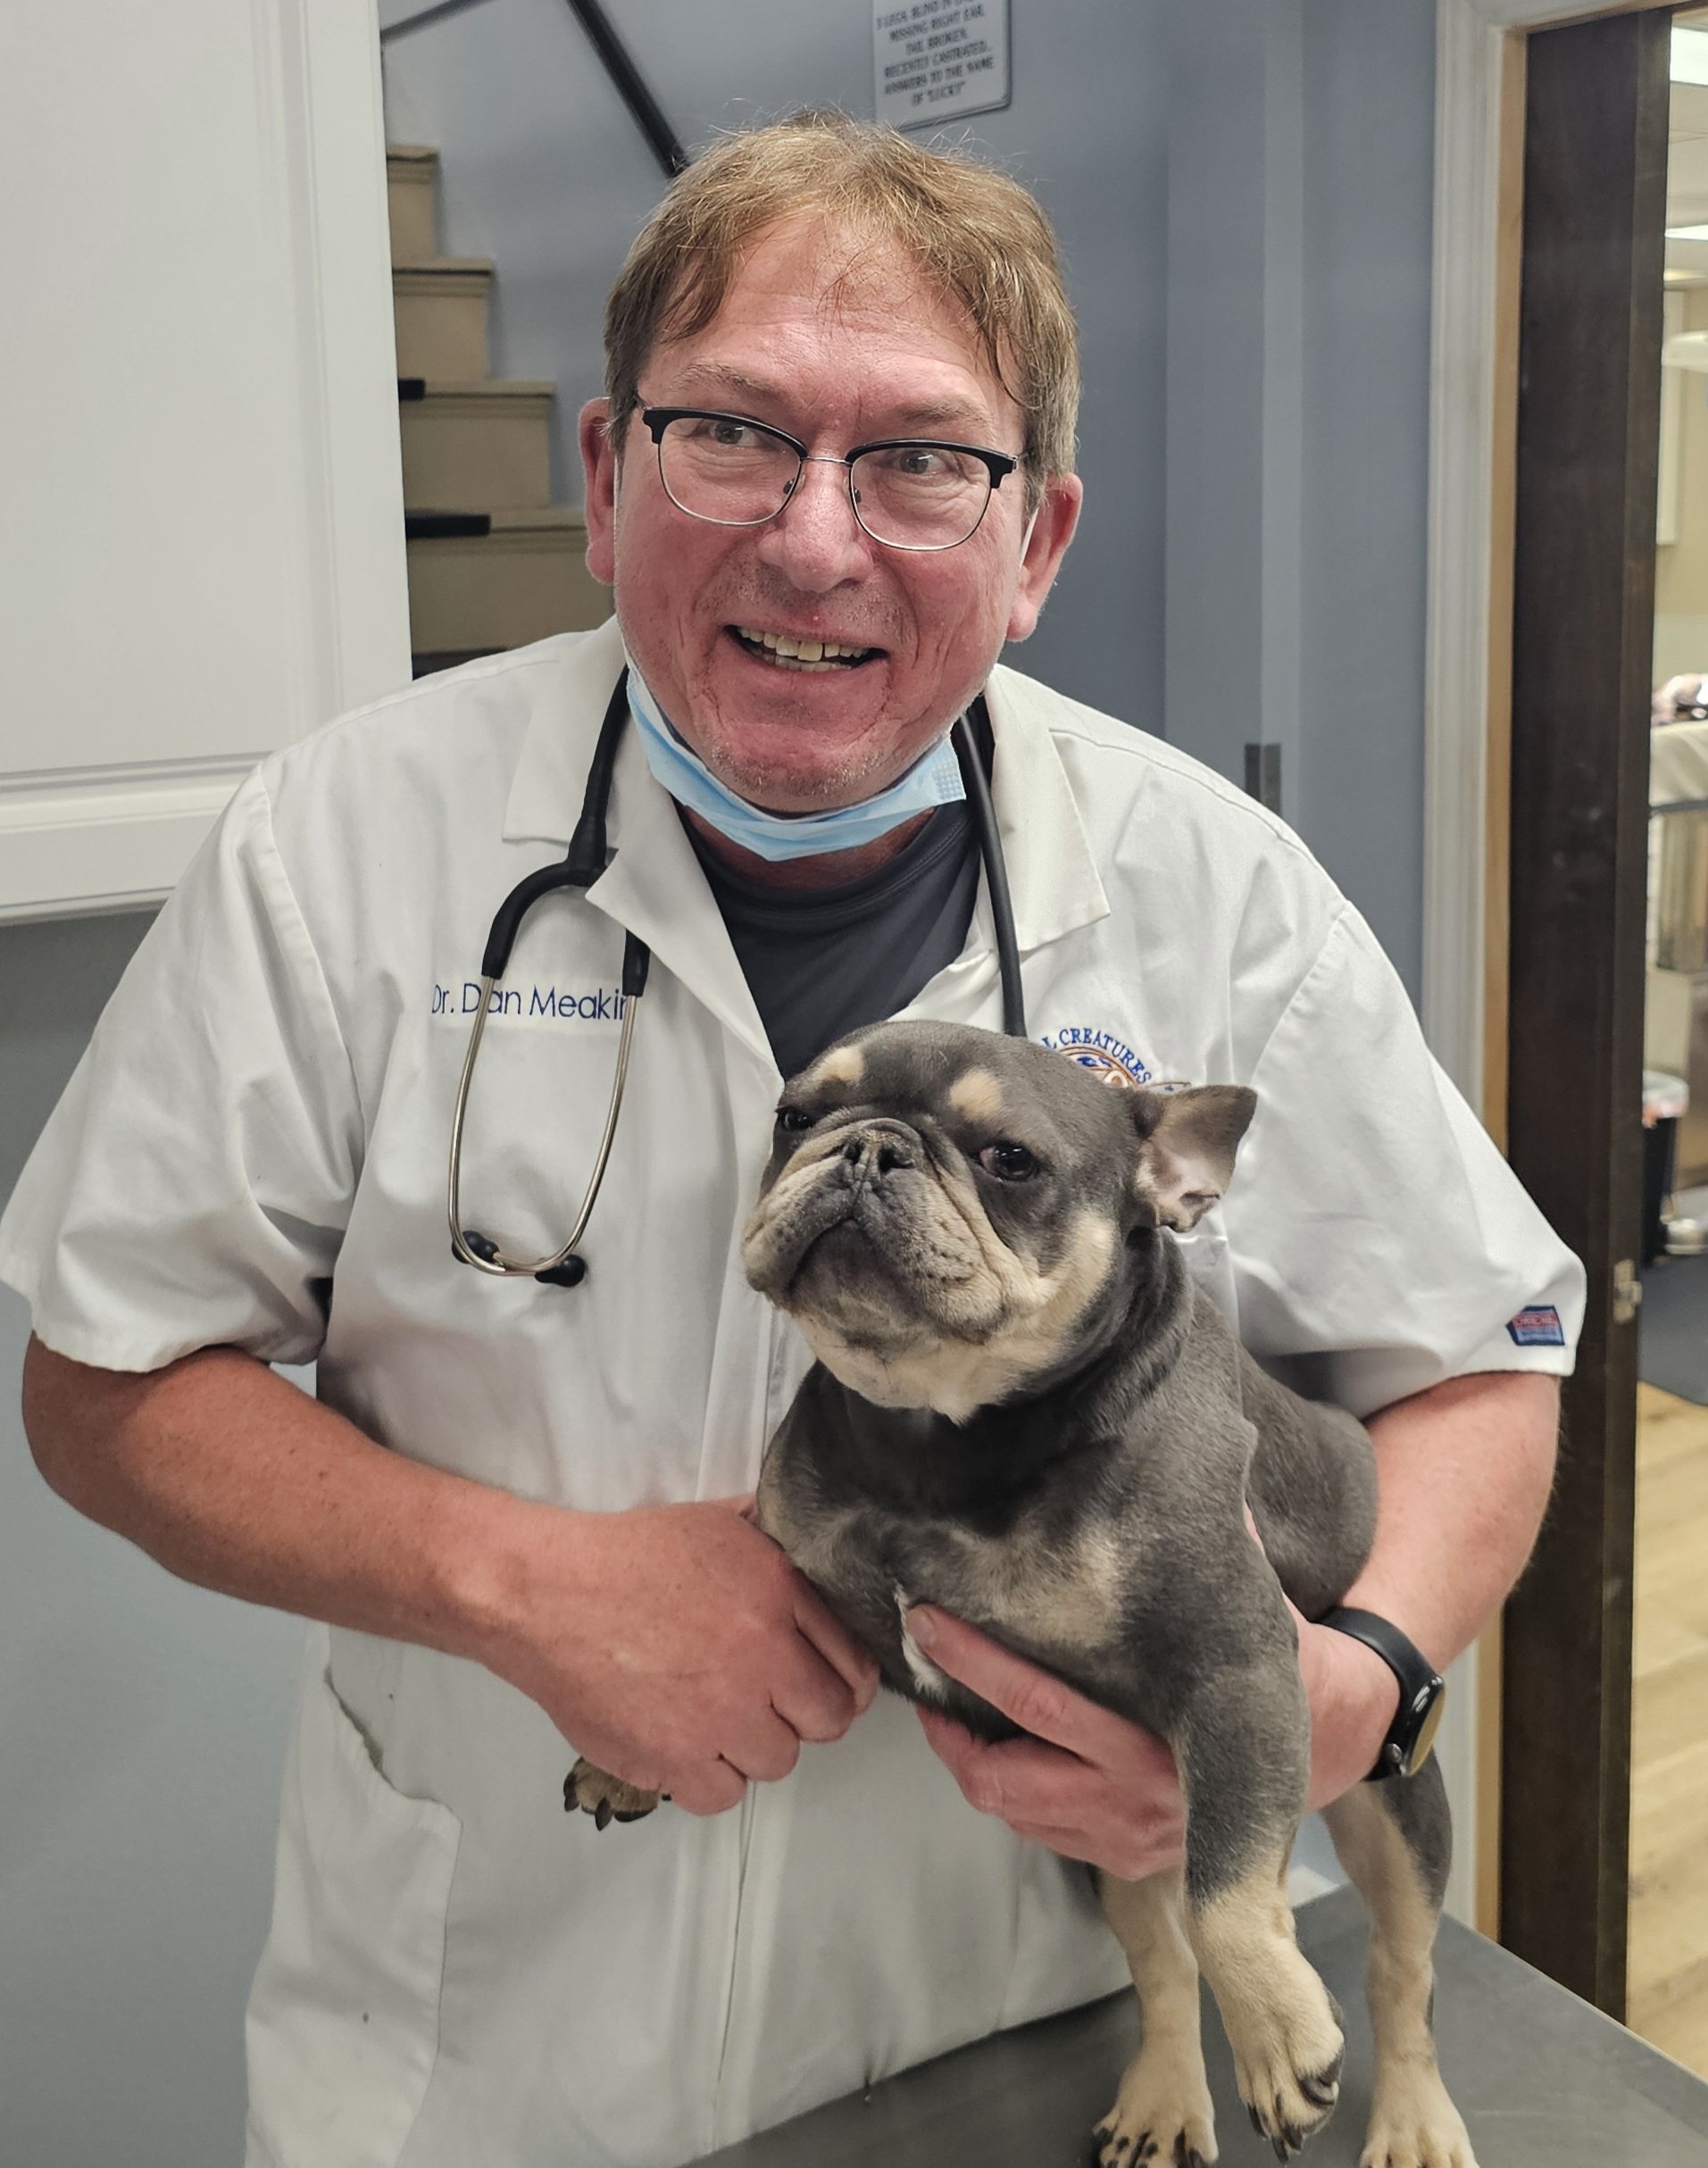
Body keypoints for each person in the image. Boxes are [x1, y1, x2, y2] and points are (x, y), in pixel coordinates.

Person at [4, 113, 1579, 2168]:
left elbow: (1485, 1363)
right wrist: (524, 1585)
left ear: (1038, 547)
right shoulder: (343, 849)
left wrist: (1359, 1671)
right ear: (599, 478)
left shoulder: (1220, 891)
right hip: (495, 2044)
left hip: (1030, 2021)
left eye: (923, 459)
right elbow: (103, 1378)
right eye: (730, 433)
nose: (817, 540)